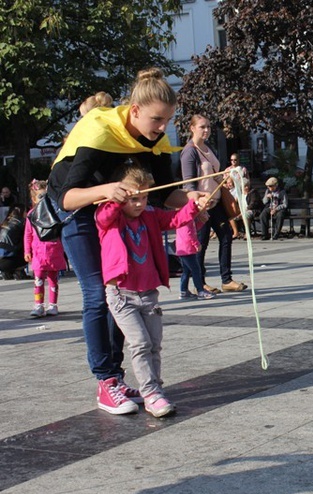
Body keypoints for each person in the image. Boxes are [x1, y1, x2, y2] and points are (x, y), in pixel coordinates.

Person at [46, 68, 210, 414]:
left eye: (167, 120)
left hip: (122, 215)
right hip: (82, 214)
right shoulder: (99, 130)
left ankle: (116, 379)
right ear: (134, 111)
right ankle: (106, 380)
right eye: (156, 119)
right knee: (98, 294)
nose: (163, 127)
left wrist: (196, 200)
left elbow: (165, 196)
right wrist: (106, 190)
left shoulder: (155, 141)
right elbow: (67, 198)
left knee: (123, 294)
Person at [95, 163, 203, 417]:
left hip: (148, 294)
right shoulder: (109, 217)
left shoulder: (151, 215)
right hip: (121, 295)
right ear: (121, 195)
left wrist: (195, 205)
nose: (140, 204)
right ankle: (151, 392)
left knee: (154, 344)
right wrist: (114, 198)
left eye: (144, 197)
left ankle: (155, 390)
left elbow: (175, 218)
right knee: (140, 343)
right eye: (134, 198)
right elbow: (103, 216)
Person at [180, 114, 246, 293]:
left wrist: (226, 178)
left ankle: (227, 279)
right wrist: (196, 205)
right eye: (202, 127)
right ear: (192, 128)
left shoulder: (209, 149)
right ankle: (200, 282)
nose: (206, 130)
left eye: (208, 127)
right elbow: (188, 183)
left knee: (226, 236)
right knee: (201, 243)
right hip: (202, 204)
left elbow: (214, 175)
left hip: (216, 202)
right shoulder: (190, 151)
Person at [24, 180, 67, 318]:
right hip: (38, 252)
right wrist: (27, 251)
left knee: (53, 279)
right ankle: (39, 304)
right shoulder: (32, 214)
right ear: (34, 198)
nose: (42, 200)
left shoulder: (54, 212)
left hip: (53, 250)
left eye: (45, 196)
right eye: (39, 197)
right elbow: (28, 234)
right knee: (38, 280)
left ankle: (53, 304)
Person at [175, 205, 214, 300]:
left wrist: (202, 221)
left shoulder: (184, 219)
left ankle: (184, 291)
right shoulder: (186, 219)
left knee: (186, 271)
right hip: (187, 249)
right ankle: (200, 290)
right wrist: (196, 244)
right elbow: (189, 233)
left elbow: (194, 229)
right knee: (196, 270)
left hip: (182, 248)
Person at [0, 204, 27, 280]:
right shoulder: (21, 223)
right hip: (11, 260)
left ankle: (7, 272)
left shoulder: (5, 223)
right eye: (25, 211)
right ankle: (19, 270)